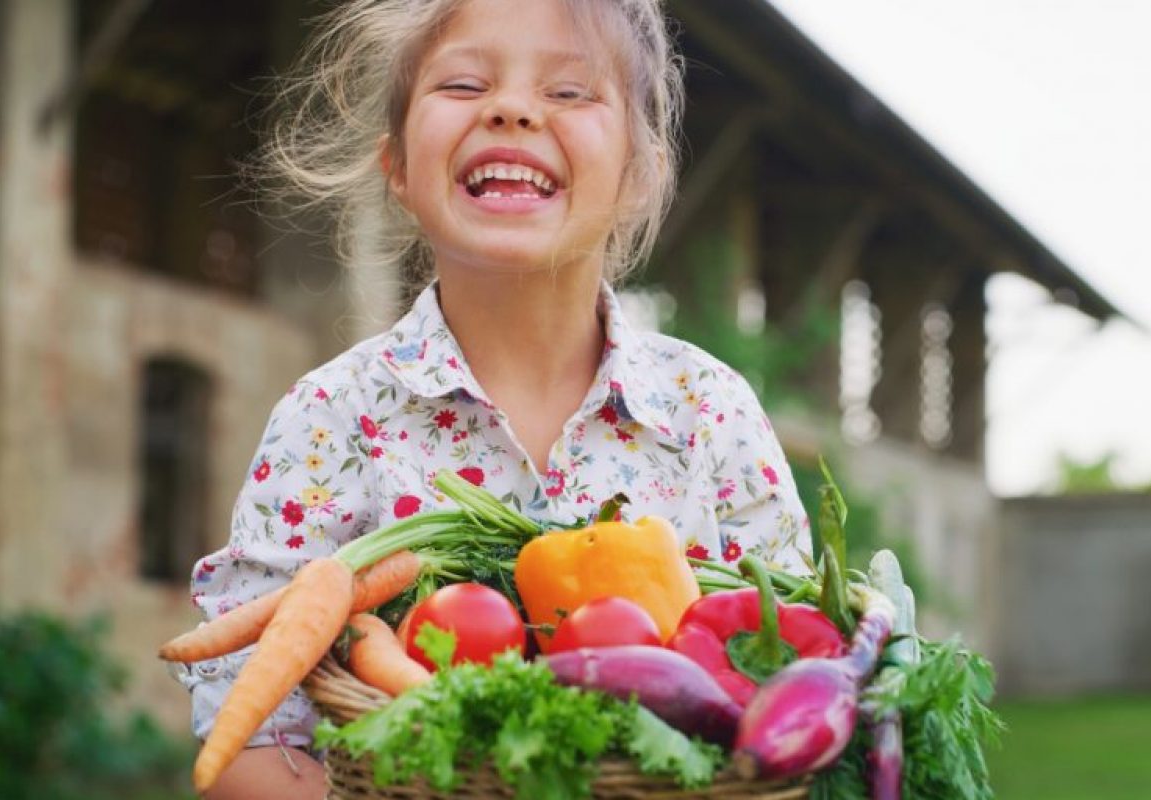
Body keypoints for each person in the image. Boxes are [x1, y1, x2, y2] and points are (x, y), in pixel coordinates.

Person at [173, 0, 809, 796]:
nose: (510, 108)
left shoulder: (709, 412)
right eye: (465, 83)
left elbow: (796, 682)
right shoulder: (331, 417)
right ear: (398, 167)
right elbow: (247, 731)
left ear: (640, 174)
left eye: (571, 93)